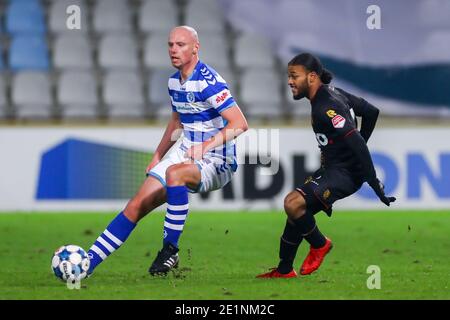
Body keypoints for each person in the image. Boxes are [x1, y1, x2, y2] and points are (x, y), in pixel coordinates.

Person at [87, 26, 248, 276]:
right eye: (170, 45)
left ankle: (169, 250)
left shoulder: (209, 82)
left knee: (175, 175)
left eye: (181, 44)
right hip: (185, 151)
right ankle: (86, 264)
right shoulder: (174, 81)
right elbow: (176, 123)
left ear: (196, 48)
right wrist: (158, 155)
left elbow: (240, 123)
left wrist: (205, 146)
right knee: (136, 205)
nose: (174, 49)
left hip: (218, 159)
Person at [257, 53, 396, 278]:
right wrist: (358, 143)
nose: (290, 81)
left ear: (312, 77)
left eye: (294, 76)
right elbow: (371, 112)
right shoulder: (334, 93)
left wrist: (373, 181)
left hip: (345, 173)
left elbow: (357, 142)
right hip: (334, 169)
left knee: (292, 203)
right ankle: (284, 270)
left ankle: (320, 244)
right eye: (288, 76)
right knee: (297, 212)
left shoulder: (326, 107)